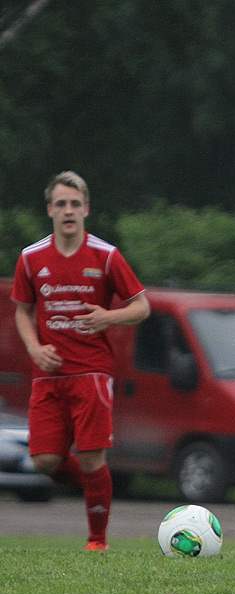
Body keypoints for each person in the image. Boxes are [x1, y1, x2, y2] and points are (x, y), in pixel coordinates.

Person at [11, 171, 150, 551]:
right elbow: (22, 311)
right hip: (48, 374)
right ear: (50, 211)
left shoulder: (105, 256)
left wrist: (108, 317)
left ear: (86, 209)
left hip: (92, 370)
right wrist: (34, 348)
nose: (68, 210)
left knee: (91, 457)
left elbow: (142, 306)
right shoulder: (31, 257)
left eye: (75, 204)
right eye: (61, 204)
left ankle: (97, 540)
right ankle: (98, 485)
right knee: (44, 461)